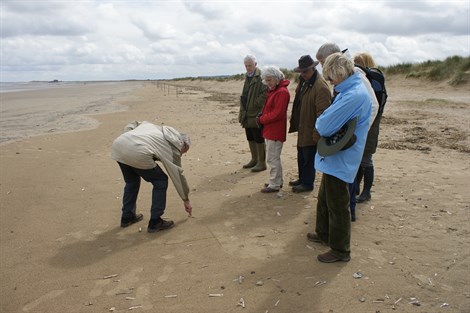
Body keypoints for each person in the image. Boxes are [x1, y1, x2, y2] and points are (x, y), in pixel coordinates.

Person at [308, 52, 371, 263]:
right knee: (326, 197)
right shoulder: (350, 90)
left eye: (331, 76)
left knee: (337, 203)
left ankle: (340, 249)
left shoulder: (354, 95)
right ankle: (324, 233)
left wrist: (321, 123)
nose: (329, 81)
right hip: (336, 155)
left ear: (340, 73)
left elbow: (324, 124)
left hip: (342, 155)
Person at [316, 43, 379, 221]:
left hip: (349, 141)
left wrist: (355, 131)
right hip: (344, 140)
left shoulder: (355, 78)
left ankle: (350, 213)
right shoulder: (348, 79)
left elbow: (372, 105)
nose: (323, 68)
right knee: (337, 188)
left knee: (344, 188)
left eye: (323, 62)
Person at [111, 121, 193, 233]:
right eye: (185, 151)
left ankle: (127, 217)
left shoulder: (153, 127)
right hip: (138, 152)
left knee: (132, 182)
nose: (182, 154)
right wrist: (186, 200)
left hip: (118, 146)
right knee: (161, 181)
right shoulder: (174, 147)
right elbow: (178, 174)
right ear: (183, 143)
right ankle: (155, 221)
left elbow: (132, 124)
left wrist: (128, 140)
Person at [289, 55, 331, 193]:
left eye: (305, 71)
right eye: (301, 72)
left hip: (312, 128)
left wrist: (317, 132)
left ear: (313, 68)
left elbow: (323, 114)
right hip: (304, 125)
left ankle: (307, 183)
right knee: (301, 154)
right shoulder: (305, 82)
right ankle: (302, 179)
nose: (303, 74)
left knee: (308, 157)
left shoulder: (320, 86)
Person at [354, 52, 383, 203]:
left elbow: (375, 106)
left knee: (366, 159)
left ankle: (366, 191)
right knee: (360, 158)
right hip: (370, 124)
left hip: (370, 126)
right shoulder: (373, 80)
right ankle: (358, 187)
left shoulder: (372, 81)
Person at [256, 66, 290, 193]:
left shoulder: (281, 92)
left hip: (275, 130)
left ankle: (275, 183)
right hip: (271, 129)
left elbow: (278, 113)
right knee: (274, 157)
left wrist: (261, 119)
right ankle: (277, 181)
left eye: (269, 80)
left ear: (276, 79)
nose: (268, 83)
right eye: (266, 80)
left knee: (272, 158)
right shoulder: (276, 90)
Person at [239, 55, 268, 172]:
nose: (247, 68)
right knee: (250, 136)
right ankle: (254, 159)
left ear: (255, 64)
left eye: (249, 65)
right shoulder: (247, 76)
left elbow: (265, 92)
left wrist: (256, 103)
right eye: (246, 66)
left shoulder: (261, 76)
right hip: (246, 112)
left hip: (256, 112)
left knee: (258, 137)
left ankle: (261, 162)